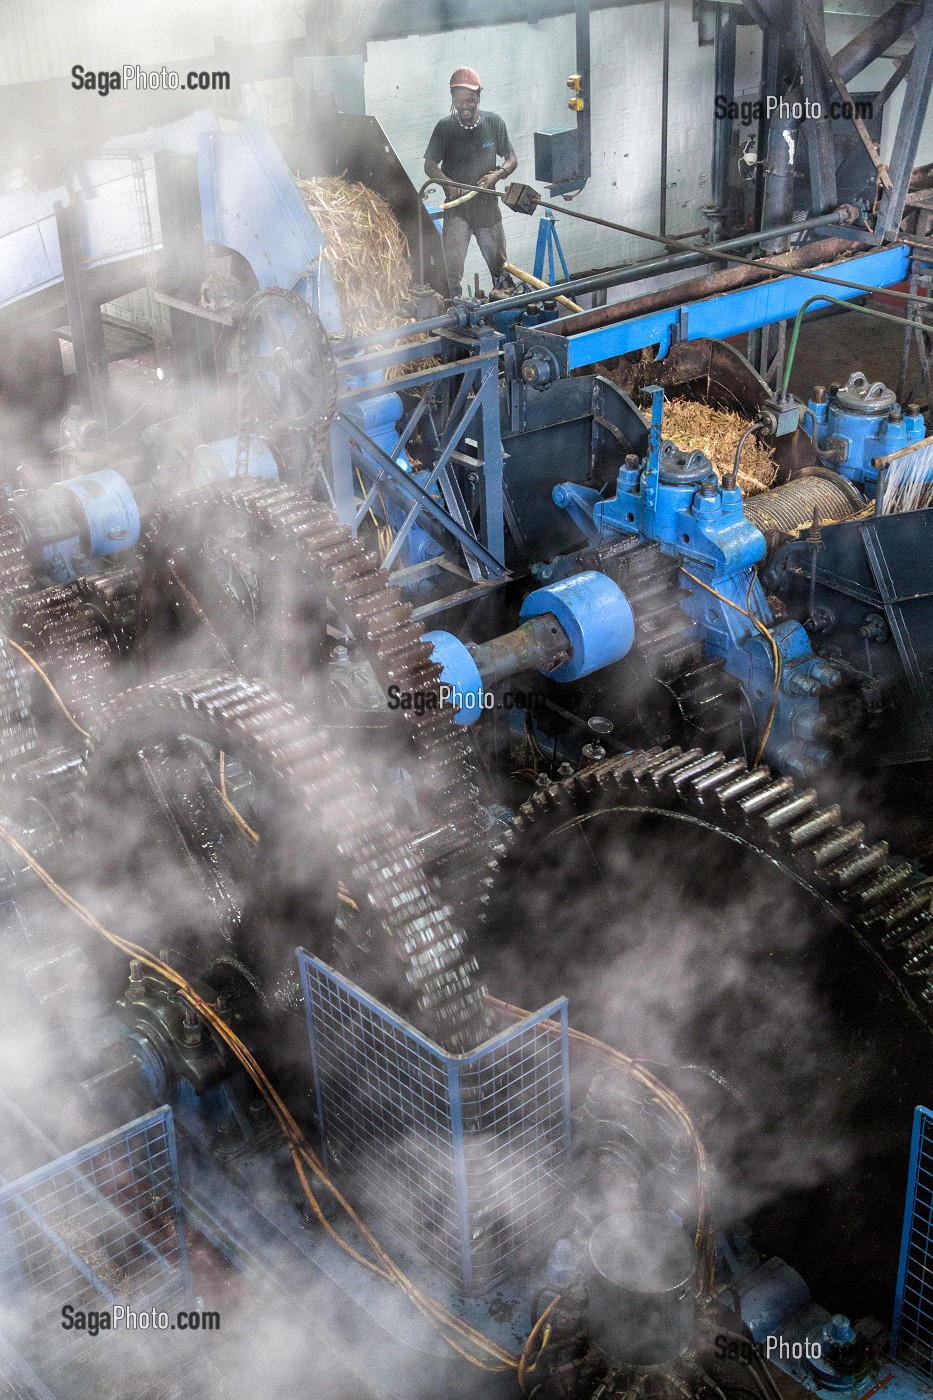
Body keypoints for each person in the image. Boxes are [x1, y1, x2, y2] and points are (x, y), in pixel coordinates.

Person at [423, 67, 517, 297]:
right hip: (458, 212)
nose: (464, 106)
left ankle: (506, 315)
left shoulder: (494, 123)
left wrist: (497, 175)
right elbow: (429, 165)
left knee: (502, 272)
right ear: (452, 100)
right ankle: (453, 316)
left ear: (478, 97)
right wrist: (446, 182)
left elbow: (512, 159)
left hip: (488, 211)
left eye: (470, 100)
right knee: (450, 277)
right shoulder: (445, 128)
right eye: (459, 101)